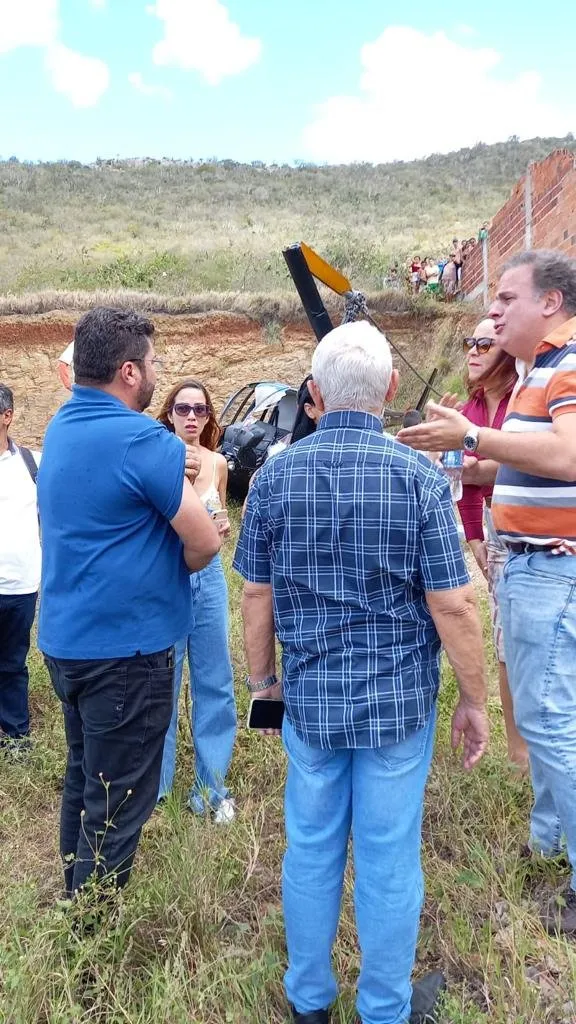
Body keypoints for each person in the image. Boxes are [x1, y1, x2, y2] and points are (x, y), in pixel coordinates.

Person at [234, 321, 489, 1024]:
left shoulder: (275, 476)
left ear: (312, 393)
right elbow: (454, 604)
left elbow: (256, 593)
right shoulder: (419, 478)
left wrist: (263, 687)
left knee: (310, 847)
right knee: (388, 855)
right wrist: (475, 699)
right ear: (392, 389)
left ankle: (309, 1000)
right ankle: (383, 1008)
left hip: (310, 701)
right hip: (398, 708)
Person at [397, 249, 576, 935]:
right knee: (550, 717)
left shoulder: (565, 366)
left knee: (550, 721)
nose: (493, 312)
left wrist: (472, 434)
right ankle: (546, 842)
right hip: (532, 565)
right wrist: (470, 454)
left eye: (505, 298)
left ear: (551, 302)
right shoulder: (541, 373)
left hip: (549, 573)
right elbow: (539, 468)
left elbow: (567, 457)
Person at [38, 308, 221, 898]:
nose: (156, 371)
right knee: (116, 809)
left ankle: (74, 901)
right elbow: (205, 539)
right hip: (127, 654)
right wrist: (170, 569)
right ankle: (93, 950)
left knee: (83, 782)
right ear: (128, 372)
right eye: (152, 363)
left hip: (67, 644)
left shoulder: (61, 427)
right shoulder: (140, 439)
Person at [156, 379, 237, 823]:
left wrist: (219, 529)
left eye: (200, 410)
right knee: (162, 685)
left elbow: (218, 522)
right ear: (169, 413)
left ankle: (210, 789)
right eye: (183, 408)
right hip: (167, 578)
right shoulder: (157, 460)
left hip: (208, 580)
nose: (191, 416)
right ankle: (157, 790)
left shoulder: (218, 463)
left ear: (208, 418)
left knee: (215, 682)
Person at [457, 320, 528, 769]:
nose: (474, 350)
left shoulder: (527, 398)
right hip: (495, 530)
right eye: (470, 342)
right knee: (506, 645)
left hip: (537, 527)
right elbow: (461, 479)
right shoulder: (471, 406)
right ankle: (519, 754)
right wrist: (475, 537)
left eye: (486, 342)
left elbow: (530, 460)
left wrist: (481, 467)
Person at [0, 385, 41, 748]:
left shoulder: (32, 463)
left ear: (7, 416)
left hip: (20, 585)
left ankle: (15, 736)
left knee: (13, 662)